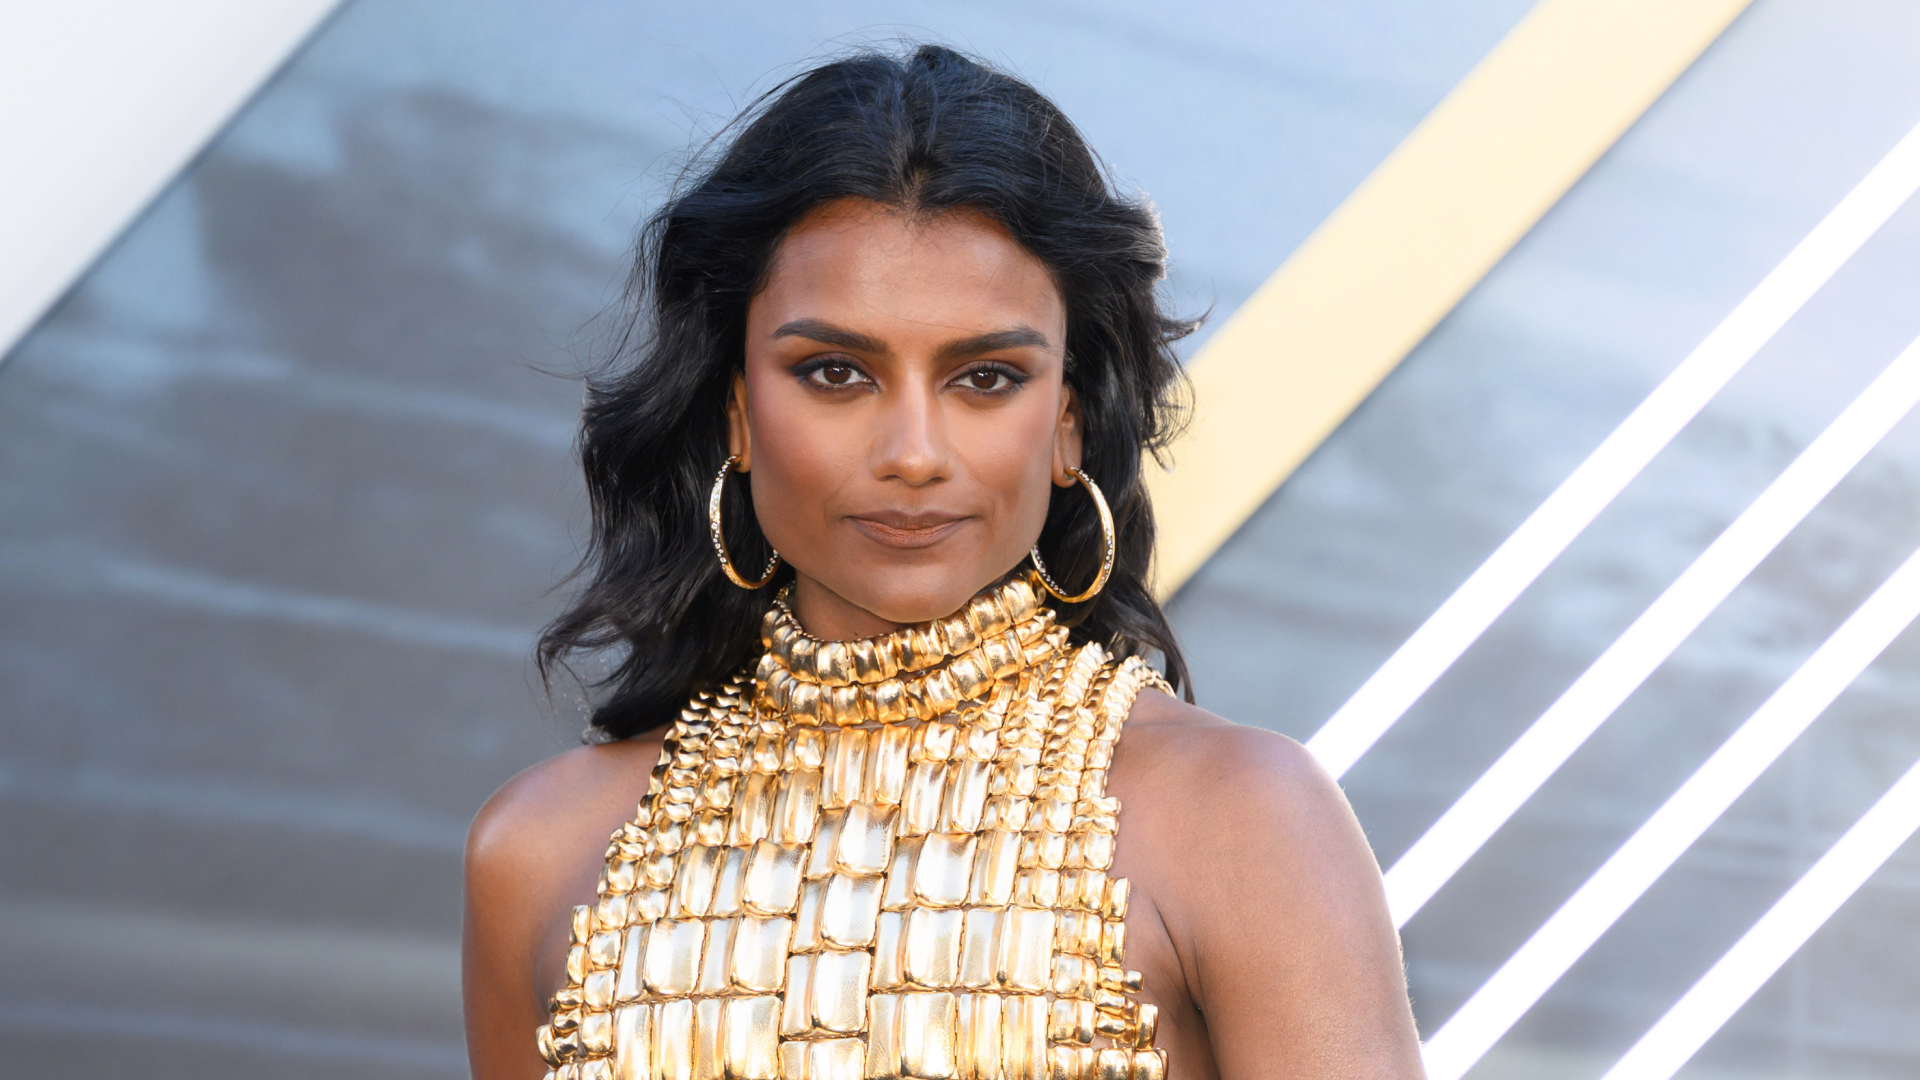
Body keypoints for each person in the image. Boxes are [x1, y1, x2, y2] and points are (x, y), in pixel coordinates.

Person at [463, 44, 1424, 1080]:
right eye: (834, 373)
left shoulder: (1242, 820)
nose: (914, 453)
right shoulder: (540, 851)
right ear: (737, 409)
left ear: (1067, 421)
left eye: (985, 377)